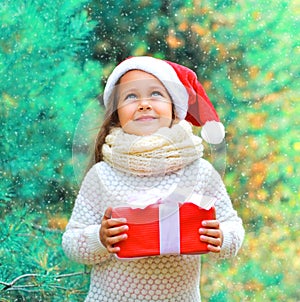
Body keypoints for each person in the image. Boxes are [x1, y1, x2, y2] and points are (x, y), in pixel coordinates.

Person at [62, 56, 244, 302]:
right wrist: (99, 238)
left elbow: (232, 227)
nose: (144, 104)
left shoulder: (199, 172)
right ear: (116, 114)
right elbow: (72, 242)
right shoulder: (102, 175)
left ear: (175, 109)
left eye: (156, 94)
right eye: (130, 96)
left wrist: (222, 237)